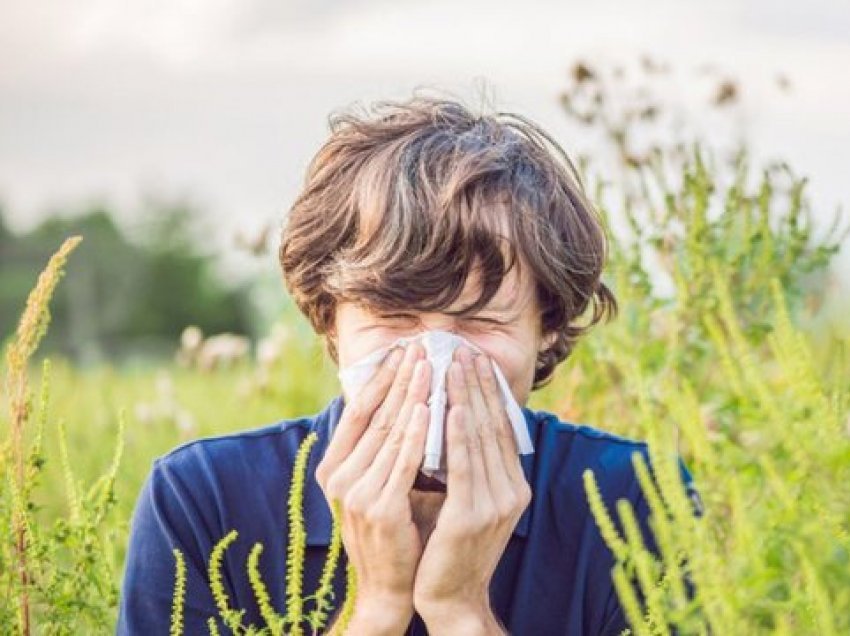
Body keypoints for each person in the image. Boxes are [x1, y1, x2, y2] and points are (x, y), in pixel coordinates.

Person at [117, 91, 702, 635]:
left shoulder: (636, 501)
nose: (434, 364)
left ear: (545, 330)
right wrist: (374, 609)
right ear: (329, 319)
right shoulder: (204, 501)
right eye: (394, 318)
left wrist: (462, 611)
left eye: (481, 322)